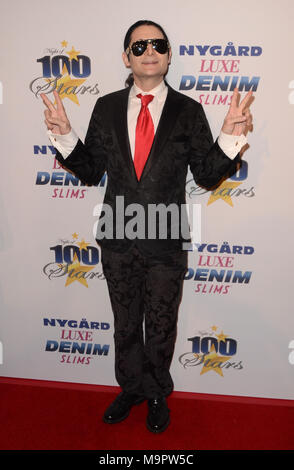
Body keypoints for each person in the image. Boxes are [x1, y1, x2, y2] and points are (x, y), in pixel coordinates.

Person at [41, 20, 253, 433]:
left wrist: (230, 136)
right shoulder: (104, 107)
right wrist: (65, 136)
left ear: (169, 55)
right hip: (118, 236)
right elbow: (90, 171)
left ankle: (156, 393)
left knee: (160, 323)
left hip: (165, 239)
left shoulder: (188, 110)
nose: (149, 51)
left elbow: (208, 174)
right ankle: (131, 388)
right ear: (127, 57)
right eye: (139, 46)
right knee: (124, 323)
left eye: (158, 44)